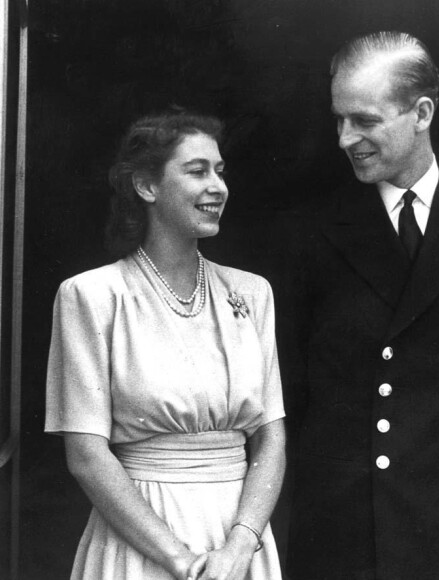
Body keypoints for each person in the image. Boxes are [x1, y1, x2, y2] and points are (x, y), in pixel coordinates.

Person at [282, 31, 439, 580]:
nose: (346, 138)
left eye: (365, 121)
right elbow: (293, 381)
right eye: (338, 121)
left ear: (421, 113)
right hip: (350, 524)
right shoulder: (314, 233)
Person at [45, 109, 286, 580]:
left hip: (239, 540)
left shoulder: (252, 293)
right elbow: (86, 456)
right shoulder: (92, 296)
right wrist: (180, 561)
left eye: (220, 171)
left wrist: (239, 547)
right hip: (142, 541)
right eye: (197, 171)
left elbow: (271, 437)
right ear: (146, 186)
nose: (218, 186)